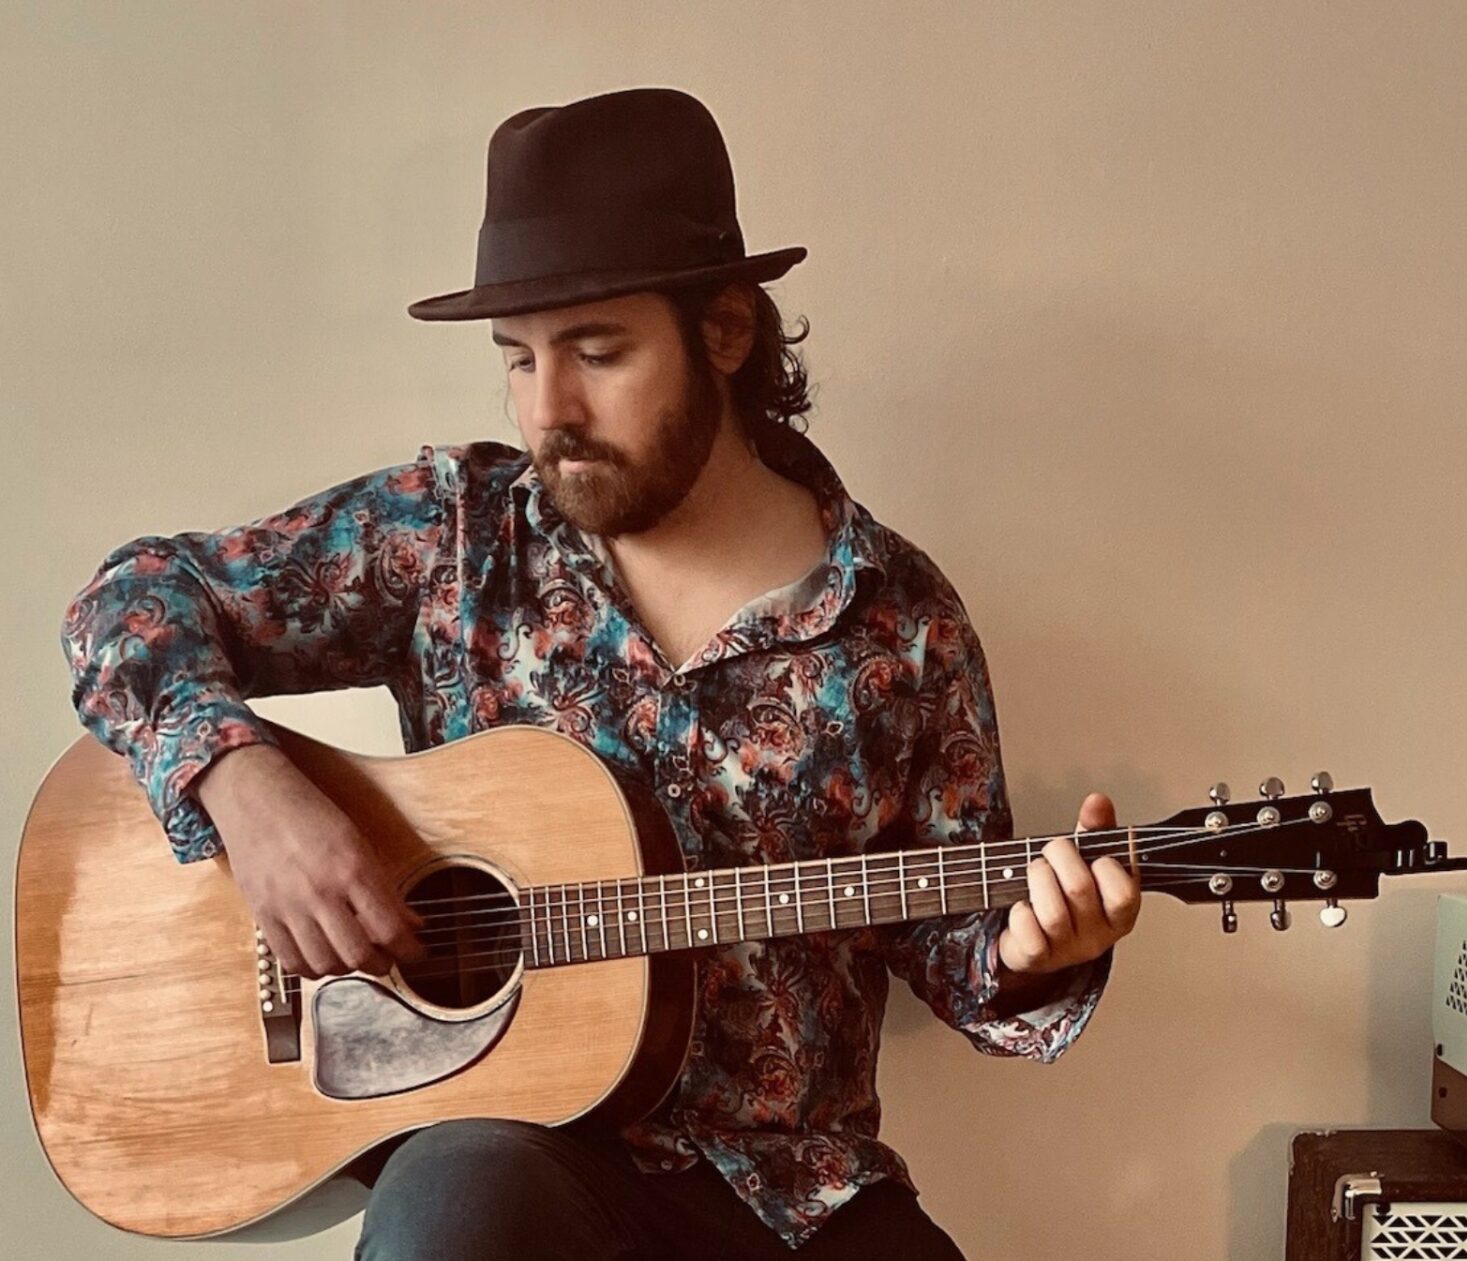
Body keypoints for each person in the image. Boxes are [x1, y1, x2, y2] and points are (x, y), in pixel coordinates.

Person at [60, 86, 1140, 1260]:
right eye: (516, 360)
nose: (548, 411)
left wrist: (1032, 956)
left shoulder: (898, 619)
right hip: (512, 1157)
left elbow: (958, 947)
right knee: (453, 1210)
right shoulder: (455, 535)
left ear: (725, 332)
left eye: (597, 352)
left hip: (792, 1193)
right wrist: (247, 792)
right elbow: (130, 599)